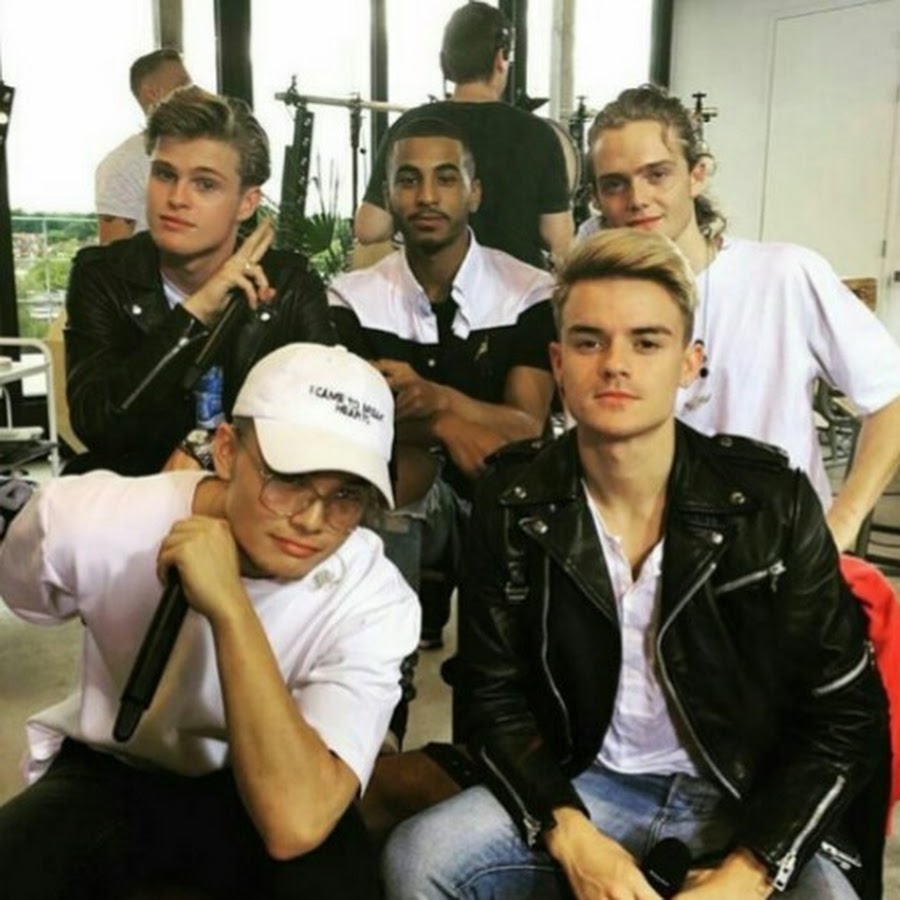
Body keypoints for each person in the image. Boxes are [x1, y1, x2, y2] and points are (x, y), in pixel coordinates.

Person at [380, 229, 889, 900]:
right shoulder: (513, 497)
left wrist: (753, 868)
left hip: (743, 792)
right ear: (559, 364)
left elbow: (846, 714)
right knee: (421, 859)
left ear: (689, 363)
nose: (615, 365)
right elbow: (490, 698)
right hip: (585, 782)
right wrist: (569, 832)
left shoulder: (771, 501)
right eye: (590, 342)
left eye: (647, 343)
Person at [0, 342, 420, 900]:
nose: (312, 519)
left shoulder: (374, 597)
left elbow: (296, 820)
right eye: (289, 479)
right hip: (113, 766)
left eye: (346, 494)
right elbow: (26, 593)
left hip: (272, 771)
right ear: (225, 451)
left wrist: (230, 607)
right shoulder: (89, 519)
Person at [584, 83, 900, 552]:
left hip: (774, 552)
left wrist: (839, 526)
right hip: (650, 559)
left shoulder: (783, 276)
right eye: (615, 184)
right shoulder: (594, 303)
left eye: (657, 175)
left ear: (697, 175)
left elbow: (892, 398)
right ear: (596, 197)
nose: (637, 198)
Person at [330, 115, 557, 651]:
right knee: (392, 481)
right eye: (408, 180)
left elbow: (526, 430)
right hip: (411, 494)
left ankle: (496, 678)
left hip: (503, 497)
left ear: (474, 193)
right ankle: (388, 679)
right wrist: (443, 429)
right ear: (389, 195)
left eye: (446, 178)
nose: (427, 196)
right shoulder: (352, 298)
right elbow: (352, 433)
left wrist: (439, 403)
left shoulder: (528, 293)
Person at [67, 84, 335, 476]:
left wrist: (208, 454)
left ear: (247, 203)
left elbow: (324, 426)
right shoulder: (104, 275)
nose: (177, 198)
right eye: (165, 174)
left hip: (250, 493)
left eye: (205, 184)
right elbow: (98, 425)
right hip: (136, 491)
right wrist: (196, 311)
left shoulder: (289, 284)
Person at [354, 1, 574, 269]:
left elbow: (369, 228)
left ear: (445, 63)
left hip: (431, 288)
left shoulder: (410, 128)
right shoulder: (539, 134)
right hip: (517, 290)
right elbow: (559, 240)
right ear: (500, 59)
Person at [95, 48, 191, 244]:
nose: (194, 94)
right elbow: (113, 254)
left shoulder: (202, 153)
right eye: (183, 86)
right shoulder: (122, 164)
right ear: (152, 93)